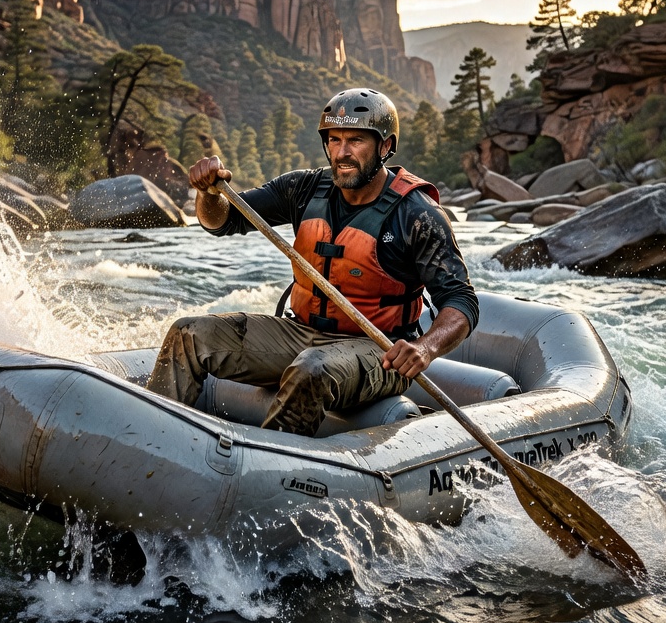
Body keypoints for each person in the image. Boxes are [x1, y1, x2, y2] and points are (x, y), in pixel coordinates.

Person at [146, 89, 478, 437]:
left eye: (356, 141)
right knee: (189, 334)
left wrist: (424, 349)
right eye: (334, 140)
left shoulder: (418, 214)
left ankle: (267, 466)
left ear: (384, 146)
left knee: (312, 368)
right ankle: (155, 440)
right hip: (301, 332)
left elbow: (461, 301)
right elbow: (222, 221)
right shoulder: (302, 189)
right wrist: (208, 194)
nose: (343, 152)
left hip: (380, 351)